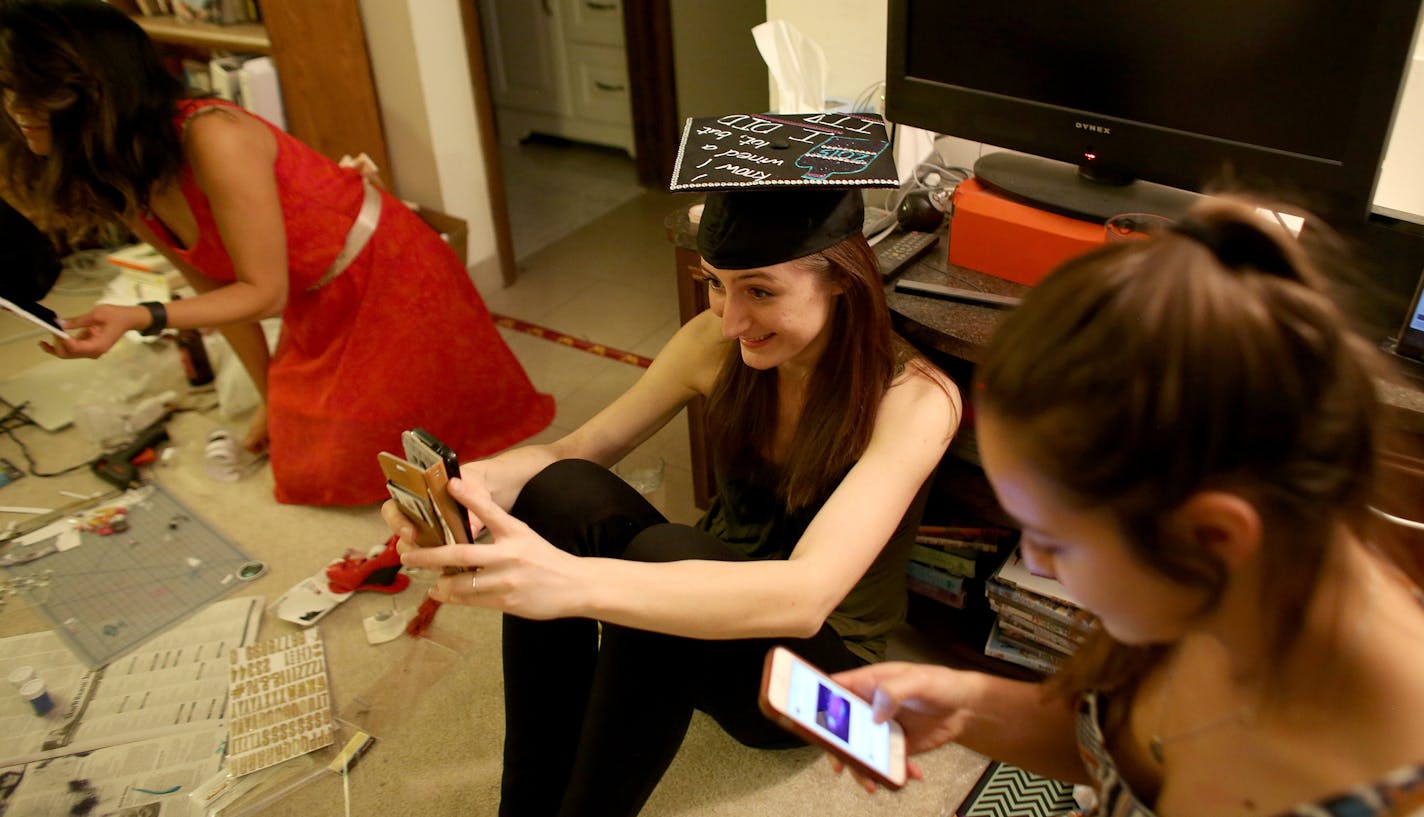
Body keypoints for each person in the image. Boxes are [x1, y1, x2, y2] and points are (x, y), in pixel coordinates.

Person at [383, 145, 963, 812]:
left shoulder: (917, 398)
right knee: (559, 488)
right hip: (703, 620)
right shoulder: (715, 343)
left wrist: (573, 584)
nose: (730, 318)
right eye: (716, 282)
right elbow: (577, 448)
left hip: (823, 690)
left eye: (760, 291)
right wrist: (471, 484)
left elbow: (804, 597)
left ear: (840, 279)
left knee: (665, 554)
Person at [830, 197, 1424, 816]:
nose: (1032, 560)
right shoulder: (1229, 590)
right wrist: (969, 704)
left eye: (1053, 540)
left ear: (1215, 535)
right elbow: (1122, 754)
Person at [0, 0, 553, 505]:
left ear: (93, 90)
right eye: (8, 88)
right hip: (310, 294)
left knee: (383, 467)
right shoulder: (120, 173)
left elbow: (262, 294)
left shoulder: (213, 133)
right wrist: (274, 399)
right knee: (302, 462)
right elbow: (214, 292)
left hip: (385, 273)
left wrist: (141, 317)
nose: (15, 107)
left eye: (28, 89)